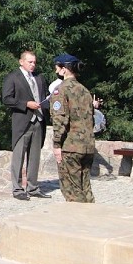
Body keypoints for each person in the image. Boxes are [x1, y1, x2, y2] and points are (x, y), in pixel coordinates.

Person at [2, 51, 50, 200]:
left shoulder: (39, 78)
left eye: (34, 62)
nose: (33, 65)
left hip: (39, 120)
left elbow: (44, 97)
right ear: (21, 62)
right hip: (22, 121)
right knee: (18, 157)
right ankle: (17, 189)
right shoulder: (12, 77)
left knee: (35, 157)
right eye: (30, 62)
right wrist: (26, 104)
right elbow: (6, 99)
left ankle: (33, 187)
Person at [50, 54, 95, 203]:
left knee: (72, 192)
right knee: (85, 189)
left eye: (57, 67)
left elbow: (60, 120)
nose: (56, 70)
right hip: (87, 146)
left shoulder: (61, 90)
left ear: (64, 70)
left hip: (71, 147)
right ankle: (92, 220)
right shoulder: (85, 90)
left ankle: (78, 223)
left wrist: (56, 145)